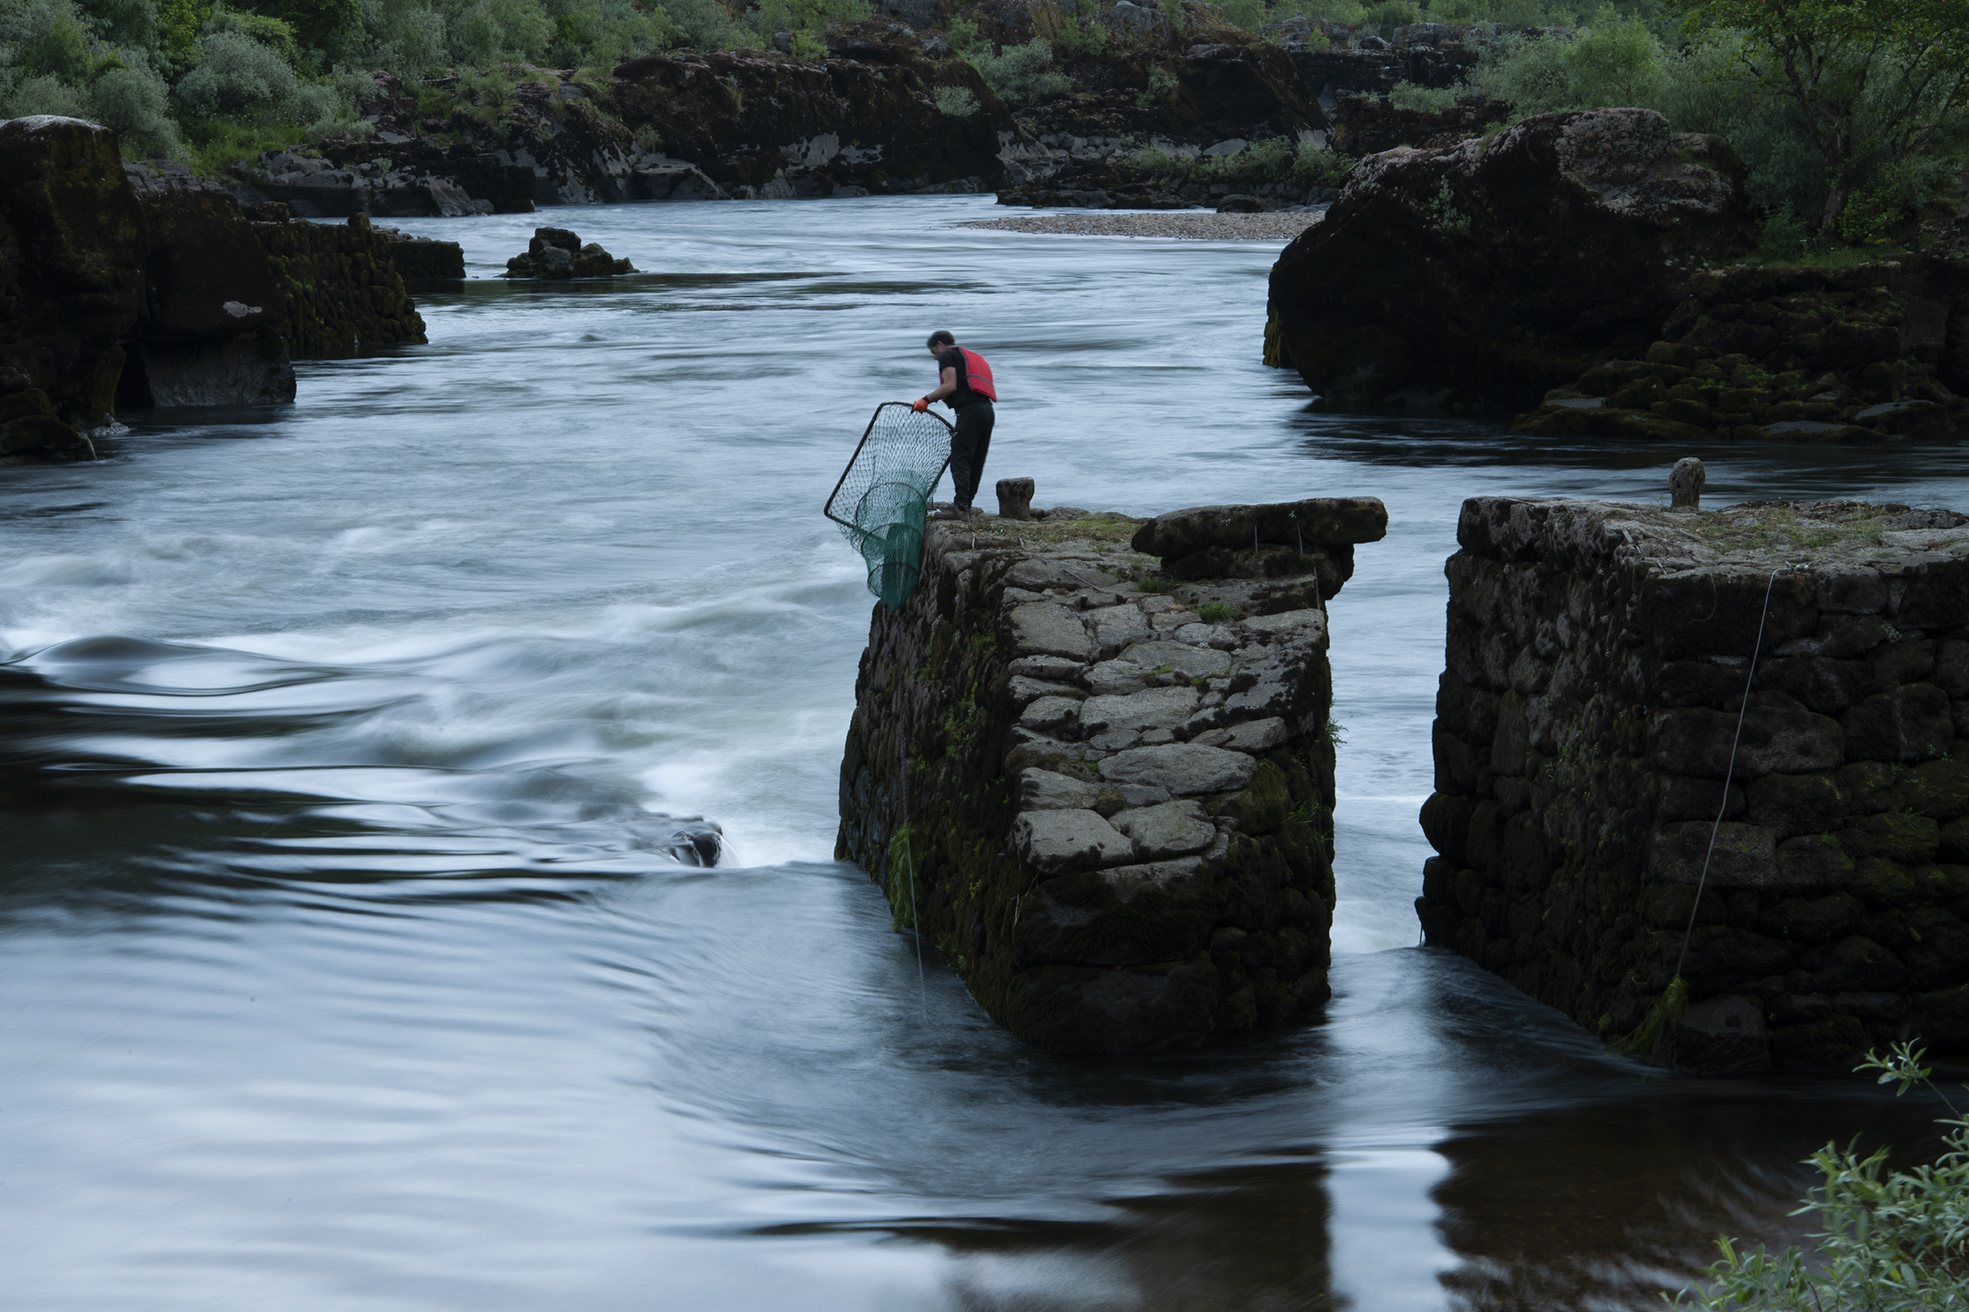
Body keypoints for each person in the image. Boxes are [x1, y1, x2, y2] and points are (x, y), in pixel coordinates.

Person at [912, 331, 995, 518]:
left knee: (960, 457)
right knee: (975, 461)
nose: (935, 358)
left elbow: (950, 386)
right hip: (987, 411)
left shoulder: (948, 355)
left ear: (940, 344)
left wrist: (925, 400)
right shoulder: (968, 356)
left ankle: (959, 508)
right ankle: (965, 505)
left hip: (970, 411)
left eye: (934, 352)